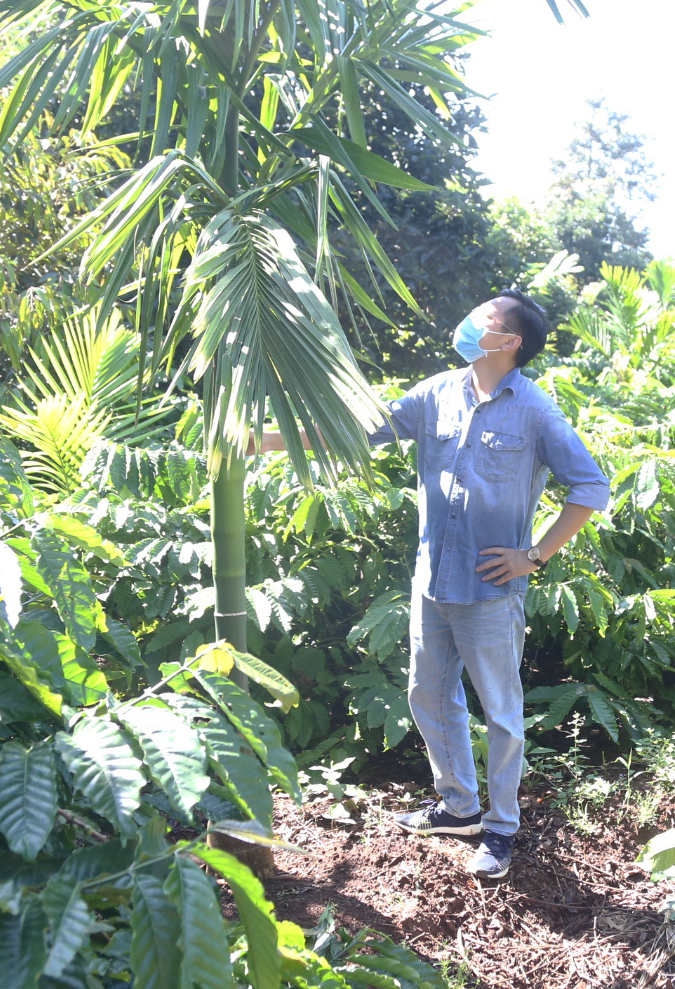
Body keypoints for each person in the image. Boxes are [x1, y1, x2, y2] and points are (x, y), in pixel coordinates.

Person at [256, 290, 609, 878]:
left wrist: (535, 556)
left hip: (491, 590)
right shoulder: (437, 391)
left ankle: (500, 829)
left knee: (500, 712)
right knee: (427, 694)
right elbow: (357, 431)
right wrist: (265, 440)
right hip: (431, 580)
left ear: (510, 341)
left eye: (487, 318)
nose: (472, 319)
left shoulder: (536, 411)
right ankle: (458, 807)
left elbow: (589, 488)